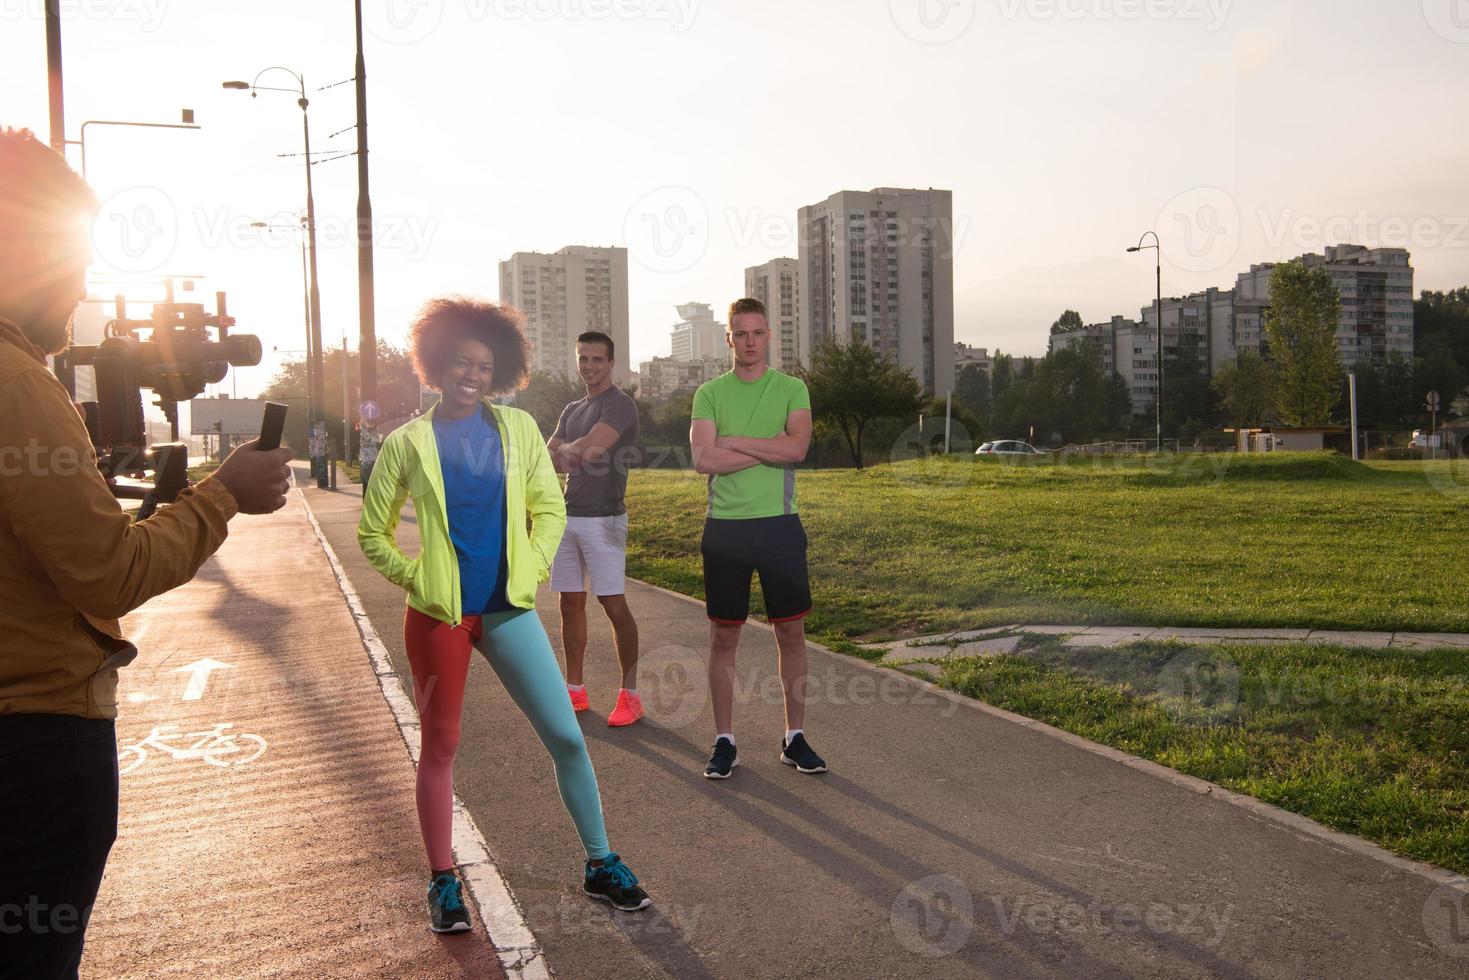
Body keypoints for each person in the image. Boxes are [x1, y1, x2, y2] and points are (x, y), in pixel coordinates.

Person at [0, 127, 295, 980]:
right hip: (35, 747)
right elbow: (107, 570)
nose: (82, 284)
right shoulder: (20, 383)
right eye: (74, 259)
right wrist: (222, 495)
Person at [358, 298, 650, 933]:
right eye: (462, 362)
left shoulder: (519, 432)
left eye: (485, 365)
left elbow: (549, 508)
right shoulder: (407, 442)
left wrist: (535, 566)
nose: (473, 374)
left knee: (568, 738)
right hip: (439, 617)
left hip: (507, 610)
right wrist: (418, 577)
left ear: (500, 371)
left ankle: (600, 865)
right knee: (440, 748)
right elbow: (372, 534)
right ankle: (443, 881)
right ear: (437, 365)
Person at [689, 297, 824, 780]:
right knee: (724, 635)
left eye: (757, 333)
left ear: (769, 336)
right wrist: (771, 449)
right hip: (725, 529)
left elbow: (799, 448)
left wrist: (734, 442)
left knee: (791, 632)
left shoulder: (792, 388)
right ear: (729, 338)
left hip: (779, 526)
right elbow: (704, 460)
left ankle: (795, 737)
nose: (749, 342)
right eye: (740, 334)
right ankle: (725, 740)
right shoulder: (709, 394)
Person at [547, 331, 642, 725]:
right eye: (583, 359)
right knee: (570, 603)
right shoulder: (571, 408)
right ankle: (575, 691)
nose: (589, 366)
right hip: (568, 517)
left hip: (605, 519)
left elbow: (587, 450)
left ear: (611, 363)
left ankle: (630, 694)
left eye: (597, 360)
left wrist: (571, 451)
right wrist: (568, 452)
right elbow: (548, 456)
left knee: (613, 604)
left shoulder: (620, 406)